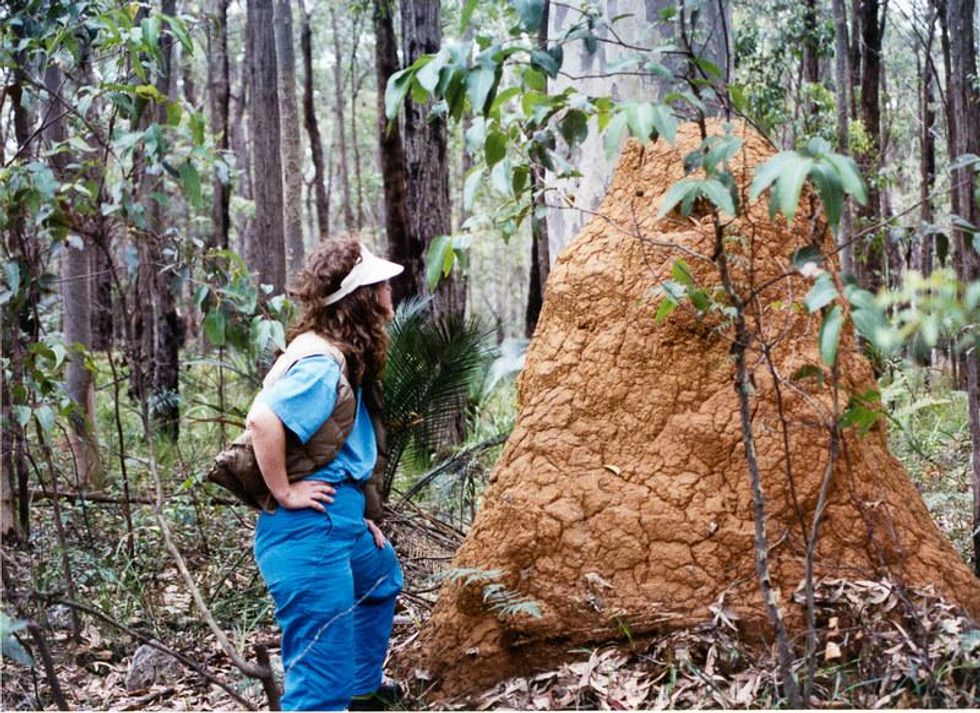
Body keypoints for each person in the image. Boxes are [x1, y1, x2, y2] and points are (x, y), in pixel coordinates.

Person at [246, 239, 405, 711]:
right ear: (362, 298)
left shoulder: (340, 355)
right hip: (309, 530)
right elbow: (262, 420)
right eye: (381, 284)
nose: (389, 290)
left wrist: (356, 512)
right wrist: (284, 490)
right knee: (319, 689)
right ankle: (342, 694)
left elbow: (343, 446)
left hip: (338, 520)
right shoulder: (322, 362)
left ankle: (362, 692)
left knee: (381, 579)